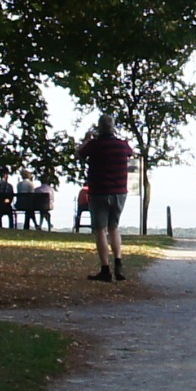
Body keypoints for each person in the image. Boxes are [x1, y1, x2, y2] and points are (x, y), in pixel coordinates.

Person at [77, 112, 136, 281]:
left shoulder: (94, 145)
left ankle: (105, 269)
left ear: (99, 127)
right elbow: (130, 153)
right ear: (113, 127)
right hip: (119, 191)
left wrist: (86, 140)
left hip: (98, 191)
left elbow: (79, 155)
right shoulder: (122, 145)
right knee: (114, 227)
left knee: (100, 230)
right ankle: (119, 264)